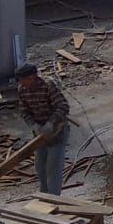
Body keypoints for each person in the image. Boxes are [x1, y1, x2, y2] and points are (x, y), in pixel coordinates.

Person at [15, 64, 71, 195]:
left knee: (53, 168)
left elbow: (63, 106)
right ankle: (44, 196)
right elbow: (24, 112)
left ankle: (53, 199)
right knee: (40, 168)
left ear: (33, 77)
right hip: (39, 133)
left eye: (24, 80)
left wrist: (51, 123)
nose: (22, 83)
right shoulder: (22, 90)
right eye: (20, 80)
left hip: (56, 131)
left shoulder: (48, 85)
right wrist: (34, 125)